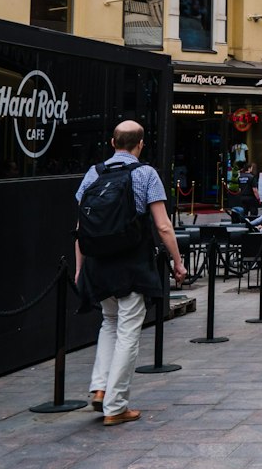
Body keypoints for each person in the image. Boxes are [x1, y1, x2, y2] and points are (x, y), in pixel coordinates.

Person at [74, 120, 185, 425]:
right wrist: (177, 261)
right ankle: (116, 404)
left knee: (108, 323)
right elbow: (163, 225)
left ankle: (99, 388)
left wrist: (80, 268)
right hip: (131, 264)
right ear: (140, 145)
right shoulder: (146, 174)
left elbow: (81, 228)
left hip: (98, 264)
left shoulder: (93, 173)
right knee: (127, 331)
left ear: (112, 143)